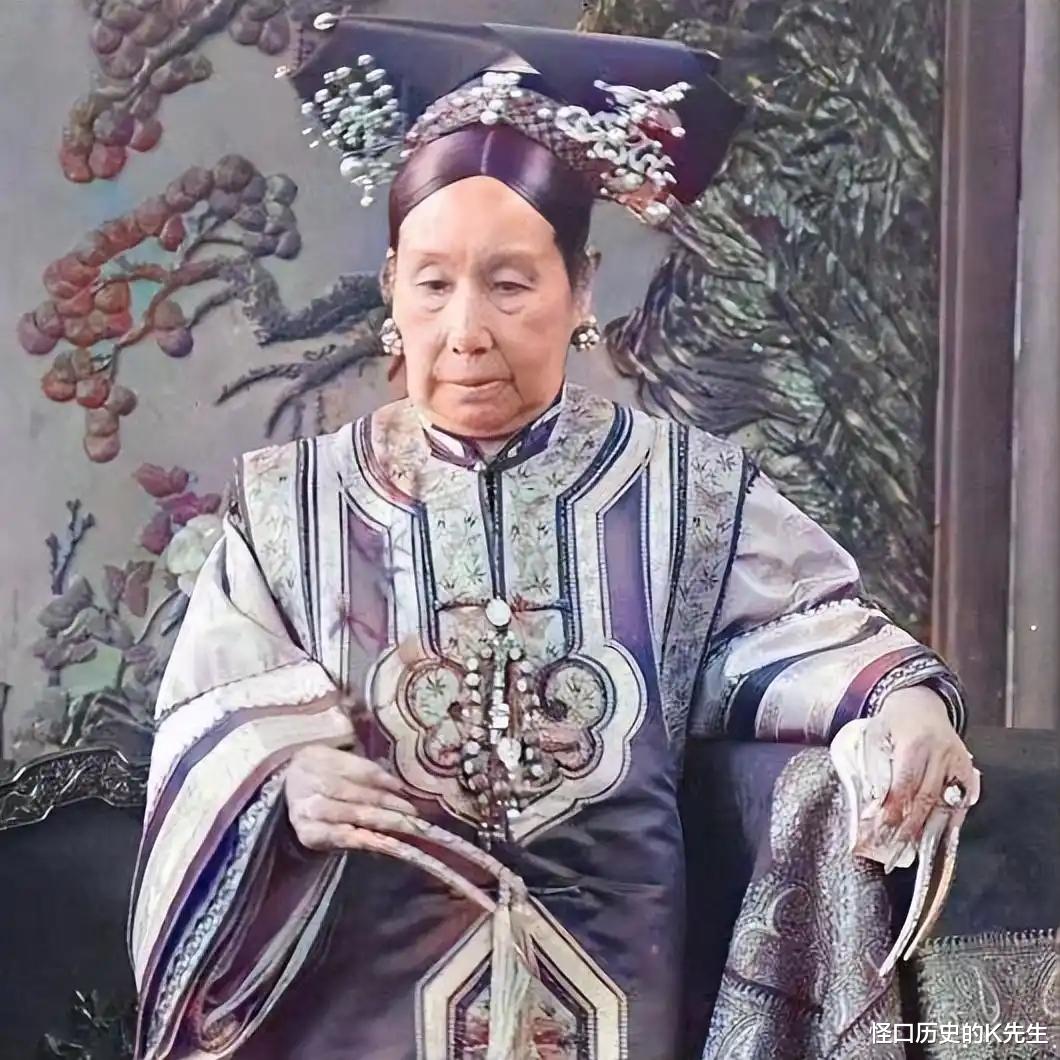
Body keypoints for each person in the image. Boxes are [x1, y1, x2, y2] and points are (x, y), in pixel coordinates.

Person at [128, 16, 979, 1060]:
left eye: (510, 284)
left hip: (614, 981)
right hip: (360, 985)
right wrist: (281, 780)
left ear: (580, 290)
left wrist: (903, 702)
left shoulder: (683, 491)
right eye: (432, 283)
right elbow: (213, 715)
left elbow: (795, 641)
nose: (466, 332)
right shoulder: (289, 507)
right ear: (391, 290)